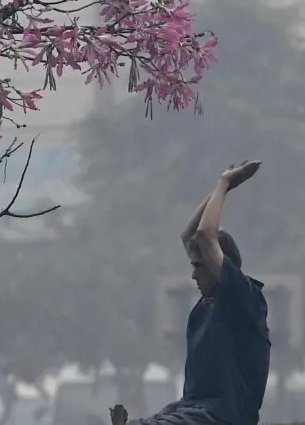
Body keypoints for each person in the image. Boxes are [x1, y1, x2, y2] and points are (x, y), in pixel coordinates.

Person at [111, 160, 271, 425]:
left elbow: (205, 234)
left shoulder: (243, 296)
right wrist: (221, 191)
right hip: (194, 408)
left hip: (223, 417)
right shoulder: (208, 303)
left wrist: (225, 183)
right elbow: (189, 235)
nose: (193, 275)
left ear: (219, 262)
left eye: (199, 266)